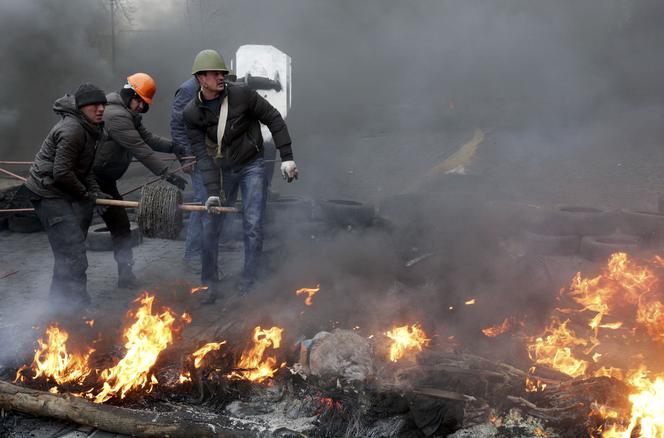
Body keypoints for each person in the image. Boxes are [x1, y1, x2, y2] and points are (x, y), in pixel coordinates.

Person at [183, 49, 298, 302]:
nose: (221, 77)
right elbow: (202, 156)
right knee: (210, 226)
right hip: (222, 170)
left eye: (223, 72)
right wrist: (212, 193)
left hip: (251, 165)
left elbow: (274, 119)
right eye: (215, 73)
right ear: (201, 78)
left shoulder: (241, 94)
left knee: (253, 224)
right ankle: (210, 285)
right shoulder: (192, 113)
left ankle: (250, 281)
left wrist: (287, 157)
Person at [171, 68, 283, 265]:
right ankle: (193, 254)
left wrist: (272, 83)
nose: (223, 81)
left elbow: (248, 82)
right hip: (200, 157)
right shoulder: (187, 92)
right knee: (203, 203)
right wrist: (186, 155)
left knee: (221, 206)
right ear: (202, 78)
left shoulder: (224, 87)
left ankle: (221, 242)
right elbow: (178, 125)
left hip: (219, 158)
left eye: (224, 76)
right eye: (217, 75)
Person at [93, 73, 187, 288]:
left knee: (121, 227)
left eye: (145, 107)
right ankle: (69, 291)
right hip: (89, 180)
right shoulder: (116, 116)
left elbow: (149, 140)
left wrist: (174, 147)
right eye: (141, 104)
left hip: (106, 181)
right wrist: (167, 173)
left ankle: (125, 275)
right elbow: (140, 149)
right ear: (130, 96)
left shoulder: (128, 115)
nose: (141, 109)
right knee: (77, 231)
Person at [24, 83, 110, 311]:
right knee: (72, 252)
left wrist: (95, 193)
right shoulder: (72, 130)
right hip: (47, 192)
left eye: (103, 104)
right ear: (81, 107)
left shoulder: (92, 128)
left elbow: (85, 169)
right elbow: (61, 173)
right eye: (94, 104)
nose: (100, 109)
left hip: (61, 190)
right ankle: (74, 309)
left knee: (69, 250)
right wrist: (85, 195)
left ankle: (59, 305)